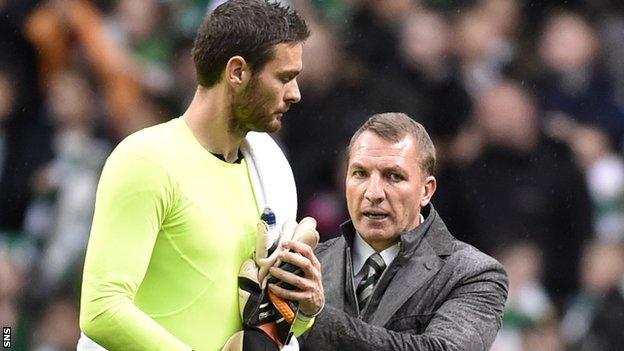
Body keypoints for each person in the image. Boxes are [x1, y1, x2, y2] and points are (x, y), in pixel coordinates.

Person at [78, 1, 324, 350]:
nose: (295, 93)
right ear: (237, 72)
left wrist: (304, 309)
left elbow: (265, 331)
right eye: (284, 78)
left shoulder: (271, 167)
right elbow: (102, 309)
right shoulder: (146, 160)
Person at [300, 112, 508, 350]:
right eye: (360, 174)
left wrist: (314, 317)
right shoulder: (312, 263)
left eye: (393, 176)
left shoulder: (472, 274)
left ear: (426, 191)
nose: (373, 193)